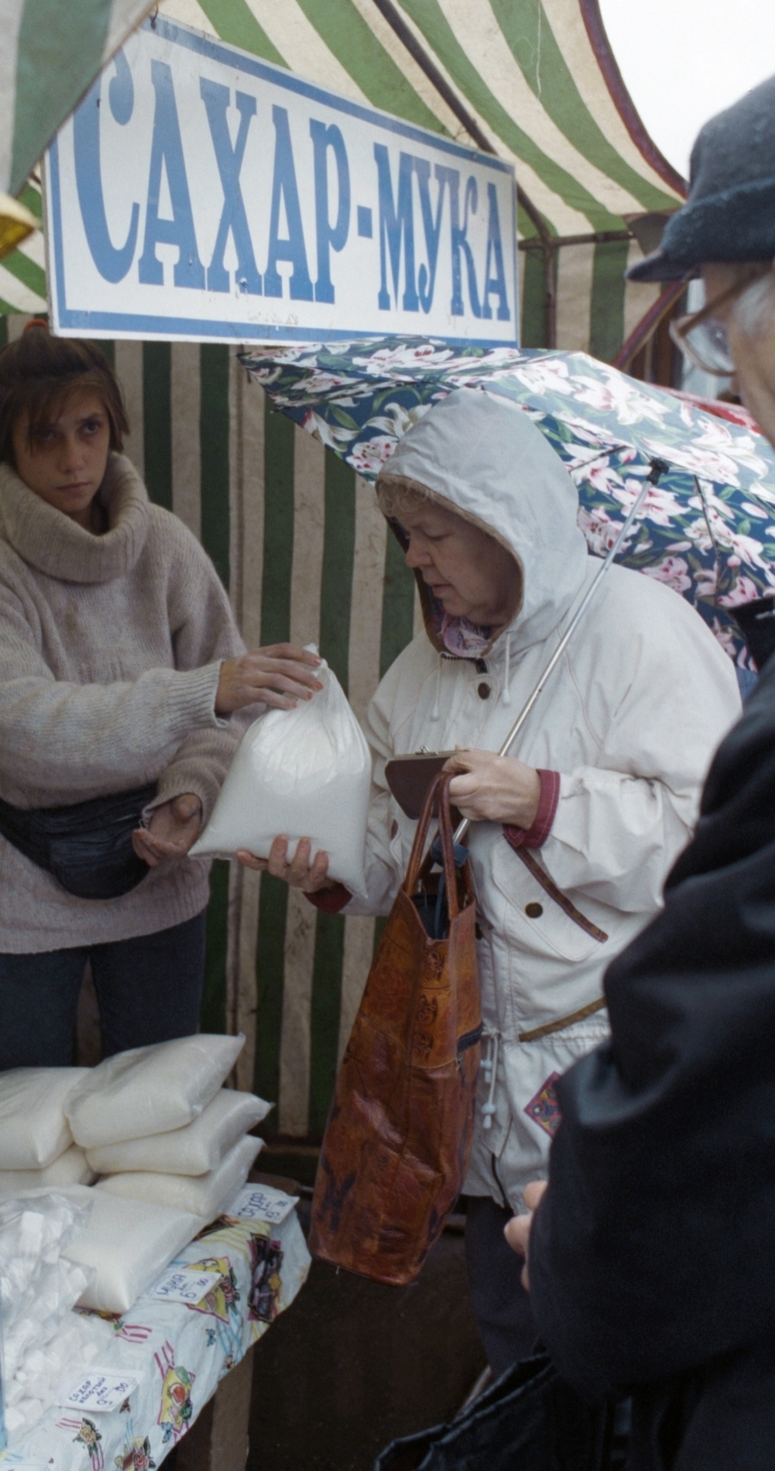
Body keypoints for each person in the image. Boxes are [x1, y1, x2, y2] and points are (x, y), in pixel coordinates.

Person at [239, 388, 741, 1378]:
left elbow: (712, 839)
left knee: (613, 1328)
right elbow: (394, 854)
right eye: (406, 535)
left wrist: (544, 797)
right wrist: (327, 866)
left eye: (435, 534)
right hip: (466, 1053)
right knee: (506, 1320)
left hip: (601, 1049)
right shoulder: (419, 672)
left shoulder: (645, 633)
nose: (416, 558)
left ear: (509, 527)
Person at [507, 74, 775, 1469]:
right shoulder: (435, 662)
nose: (724, 366)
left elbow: (713, 949)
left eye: (724, 318)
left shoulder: (652, 628)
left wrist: (589, 1232)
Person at [0, 326, 319, 1076]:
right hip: (14, 886)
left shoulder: (164, 545)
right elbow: (26, 734)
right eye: (44, 435)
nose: (73, 458)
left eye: (90, 427)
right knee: (25, 1120)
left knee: (156, 1120)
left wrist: (189, 797)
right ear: (2, 444)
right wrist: (204, 691)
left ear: (114, 427)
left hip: (158, 877)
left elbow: (225, 718)